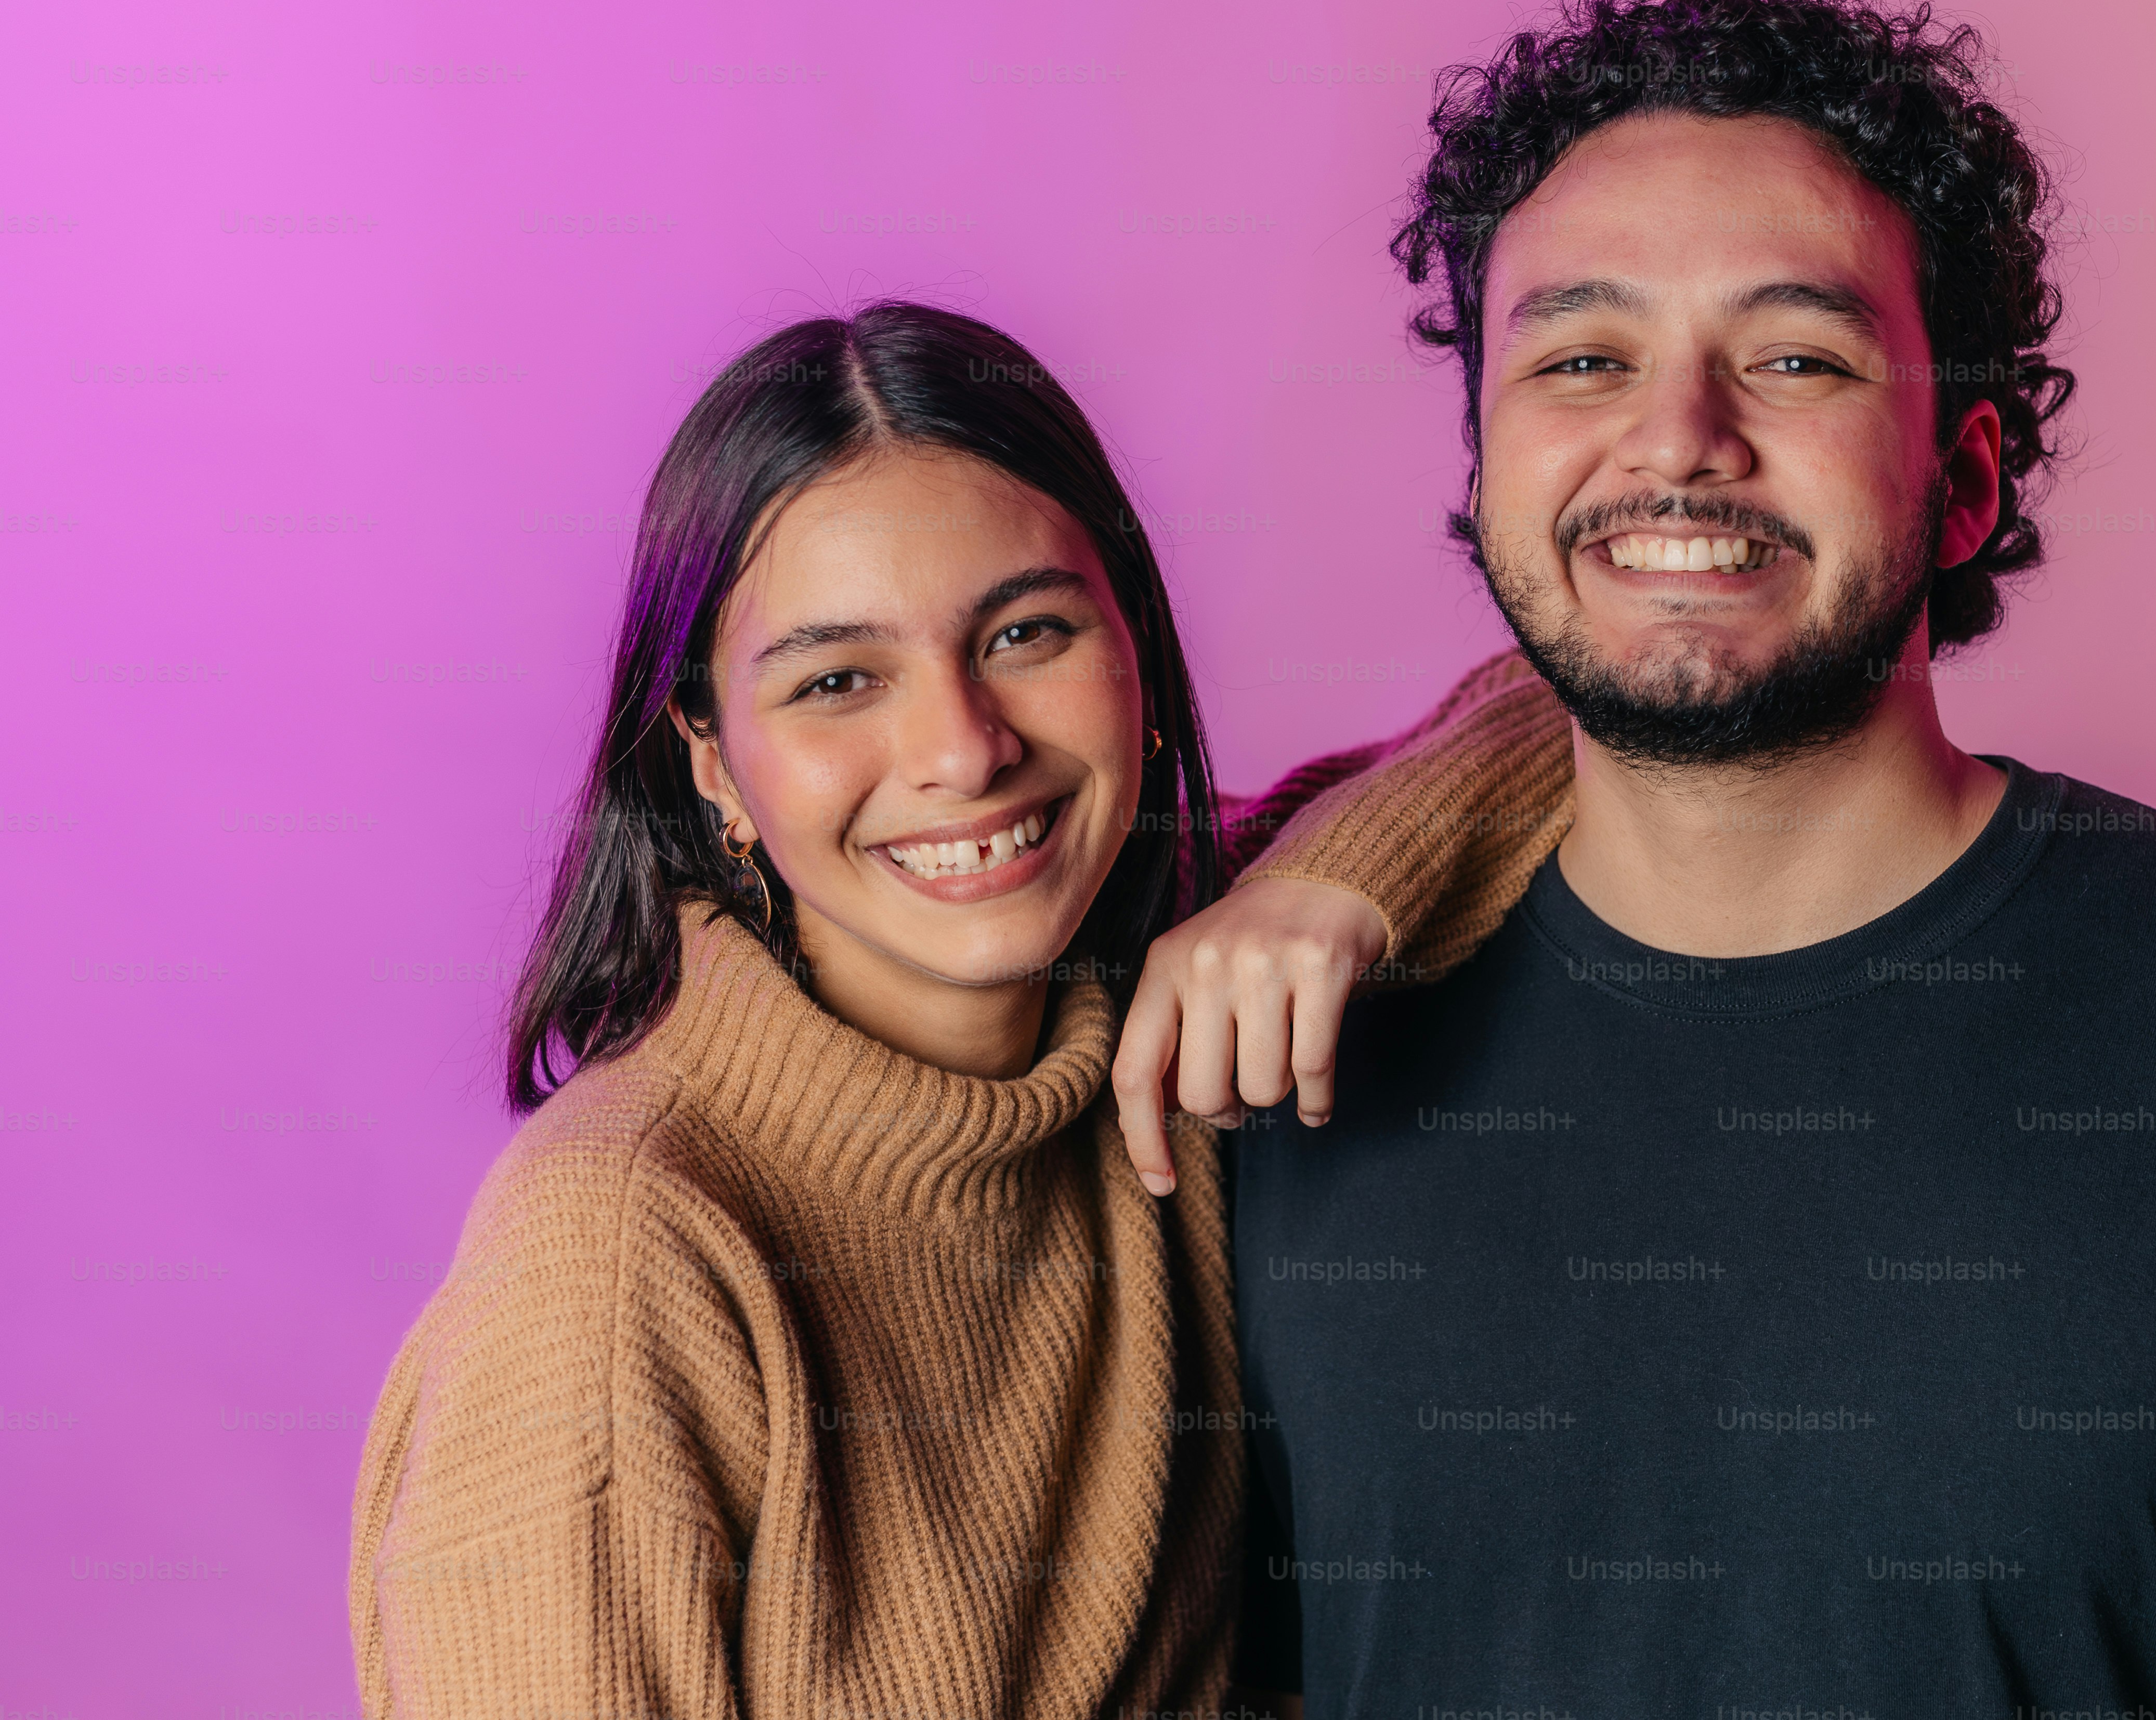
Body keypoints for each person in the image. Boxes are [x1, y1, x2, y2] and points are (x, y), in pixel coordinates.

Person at [1133, 0, 2156, 1717]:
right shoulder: (1270, 1063)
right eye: (1580, 356)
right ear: (1484, 467)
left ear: (1963, 477)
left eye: (1795, 357)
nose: (1679, 440)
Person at [346, 304, 1561, 1718]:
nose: (964, 750)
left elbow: (1594, 691)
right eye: (837, 681)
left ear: (1136, 656)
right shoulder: (621, 1258)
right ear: (712, 763)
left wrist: (1346, 884)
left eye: (1026, 632)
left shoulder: (1160, 998)